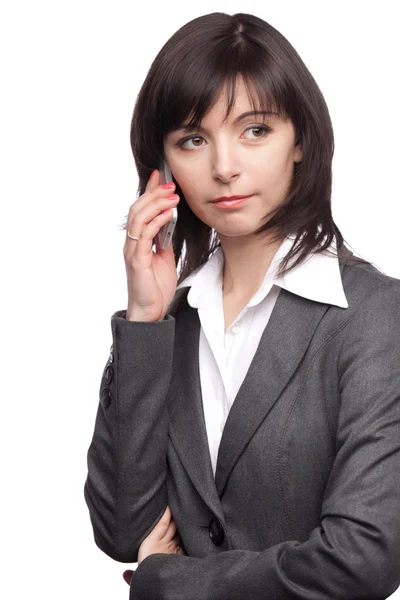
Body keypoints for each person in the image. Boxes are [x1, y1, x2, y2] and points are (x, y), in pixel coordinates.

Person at [83, 11, 400, 600]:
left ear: (300, 140)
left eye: (255, 130)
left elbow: (364, 559)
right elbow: (122, 529)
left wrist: (172, 582)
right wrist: (144, 323)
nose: (224, 166)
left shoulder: (378, 319)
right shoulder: (168, 324)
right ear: (163, 168)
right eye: (193, 139)